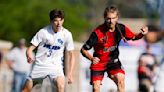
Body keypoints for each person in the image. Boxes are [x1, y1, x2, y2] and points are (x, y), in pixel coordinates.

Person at [80, 5, 148, 92]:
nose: (111, 21)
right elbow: (83, 49)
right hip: (99, 63)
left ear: (117, 18)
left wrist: (142, 34)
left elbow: (134, 37)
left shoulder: (121, 28)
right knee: (96, 88)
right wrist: (91, 58)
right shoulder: (97, 33)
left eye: (113, 18)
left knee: (121, 80)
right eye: (108, 18)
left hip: (113, 61)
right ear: (105, 18)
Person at [22, 9, 75, 92]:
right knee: (26, 90)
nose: (58, 24)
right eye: (56, 21)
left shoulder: (67, 34)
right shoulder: (43, 32)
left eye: (60, 20)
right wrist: (29, 55)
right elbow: (29, 49)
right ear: (51, 21)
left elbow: (71, 55)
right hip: (41, 65)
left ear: (63, 20)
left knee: (61, 86)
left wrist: (70, 73)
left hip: (56, 66)